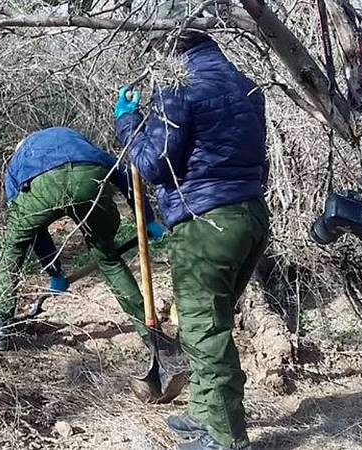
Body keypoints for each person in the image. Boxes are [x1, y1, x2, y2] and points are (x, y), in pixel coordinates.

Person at [114, 5, 269, 450]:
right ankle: (204, 413)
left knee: (205, 330)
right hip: (250, 215)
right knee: (210, 321)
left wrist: (127, 122)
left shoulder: (179, 87)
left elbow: (155, 165)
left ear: (170, 47)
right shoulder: (246, 84)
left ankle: (226, 438)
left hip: (206, 224)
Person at [0, 126, 165, 349]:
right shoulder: (82, 146)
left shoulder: (17, 165)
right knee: (108, 259)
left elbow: (33, 233)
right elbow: (125, 174)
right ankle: (152, 335)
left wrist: (55, 271)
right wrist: (147, 218)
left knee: (13, 249)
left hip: (37, 189)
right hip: (89, 177)